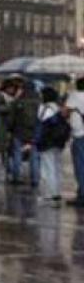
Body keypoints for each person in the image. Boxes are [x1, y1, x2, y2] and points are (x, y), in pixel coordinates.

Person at [34, 87, 69, 205]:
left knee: (46, 168)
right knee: (56, 167)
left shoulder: (43, 109)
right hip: (58, 142)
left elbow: (40, 124)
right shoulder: (58, 108)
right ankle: (57, 192)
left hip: (46, 142)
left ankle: (48, 195)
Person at [64, 77, 84, 207]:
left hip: (80, 135)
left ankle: (82, 196)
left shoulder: (75, 95)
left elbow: (64, 112)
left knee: (80, 166)